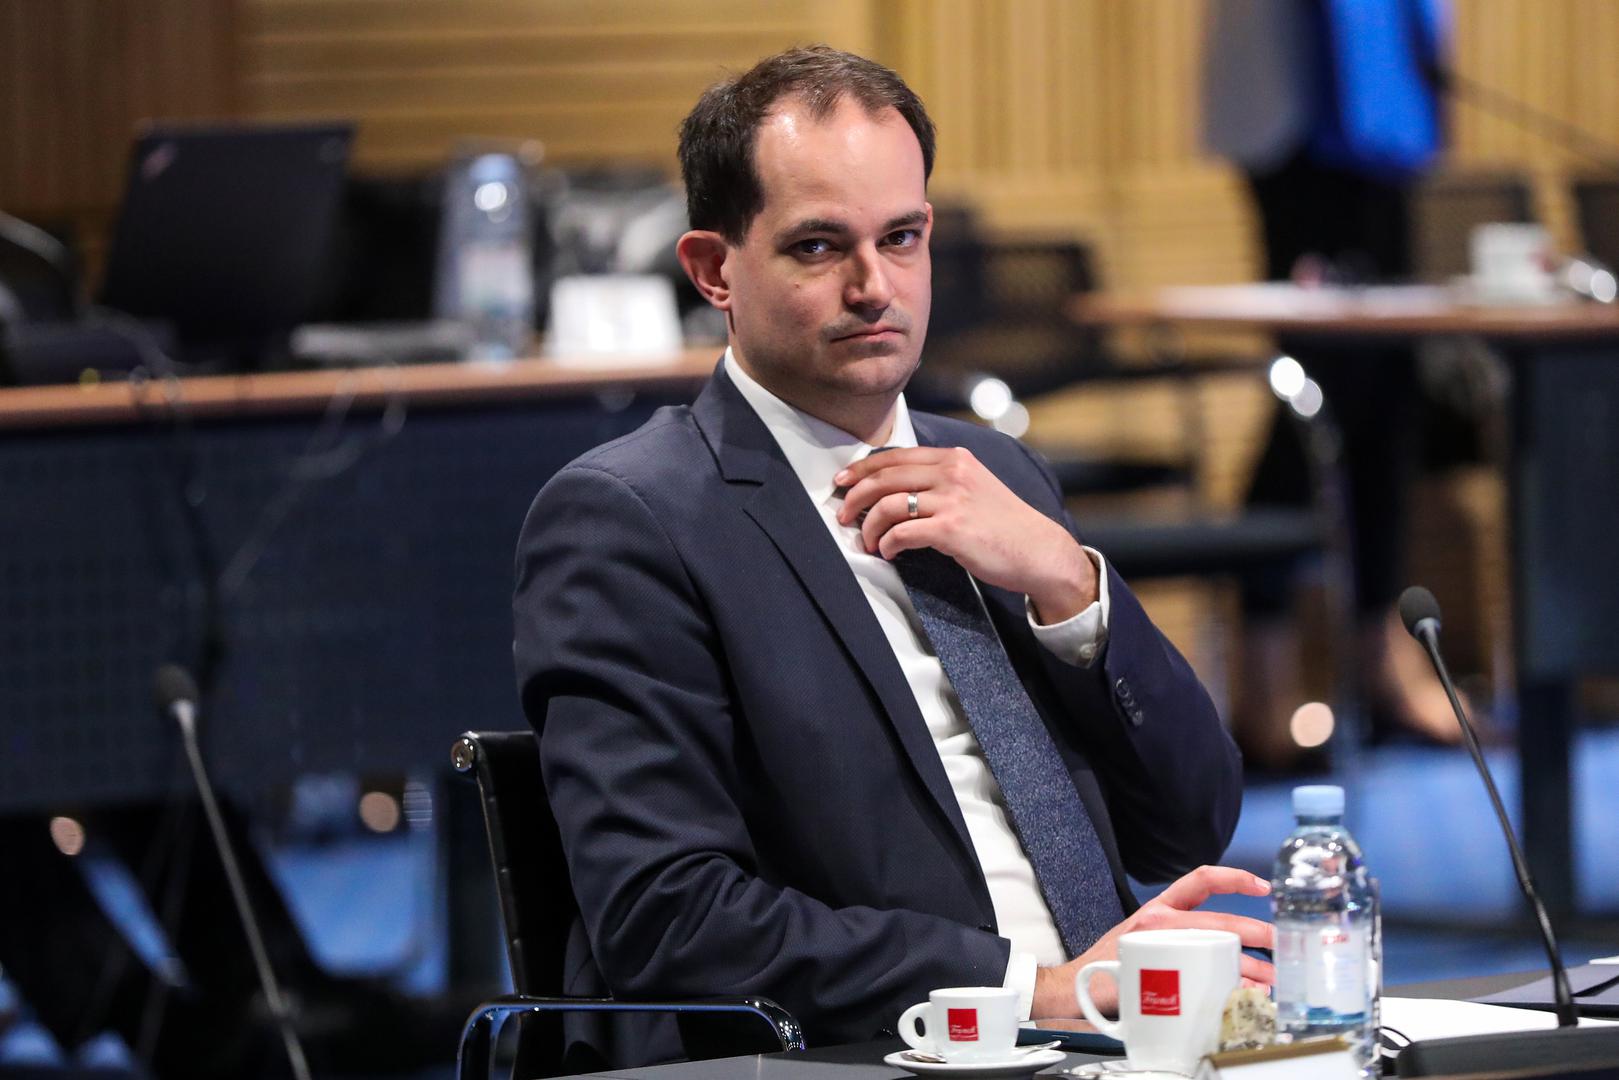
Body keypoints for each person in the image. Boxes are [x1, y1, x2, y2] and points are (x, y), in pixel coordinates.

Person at [514, 45, 1271, 1068]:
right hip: (868, 1054)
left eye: (900, 237)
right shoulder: (631, 520)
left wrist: (1067, 580)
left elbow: (1187, 828)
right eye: (818, 247)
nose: (875, 287)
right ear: (712, 270)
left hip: (1113, 1038)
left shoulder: (998, 473)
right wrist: (1029, 990)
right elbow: (669, 917)